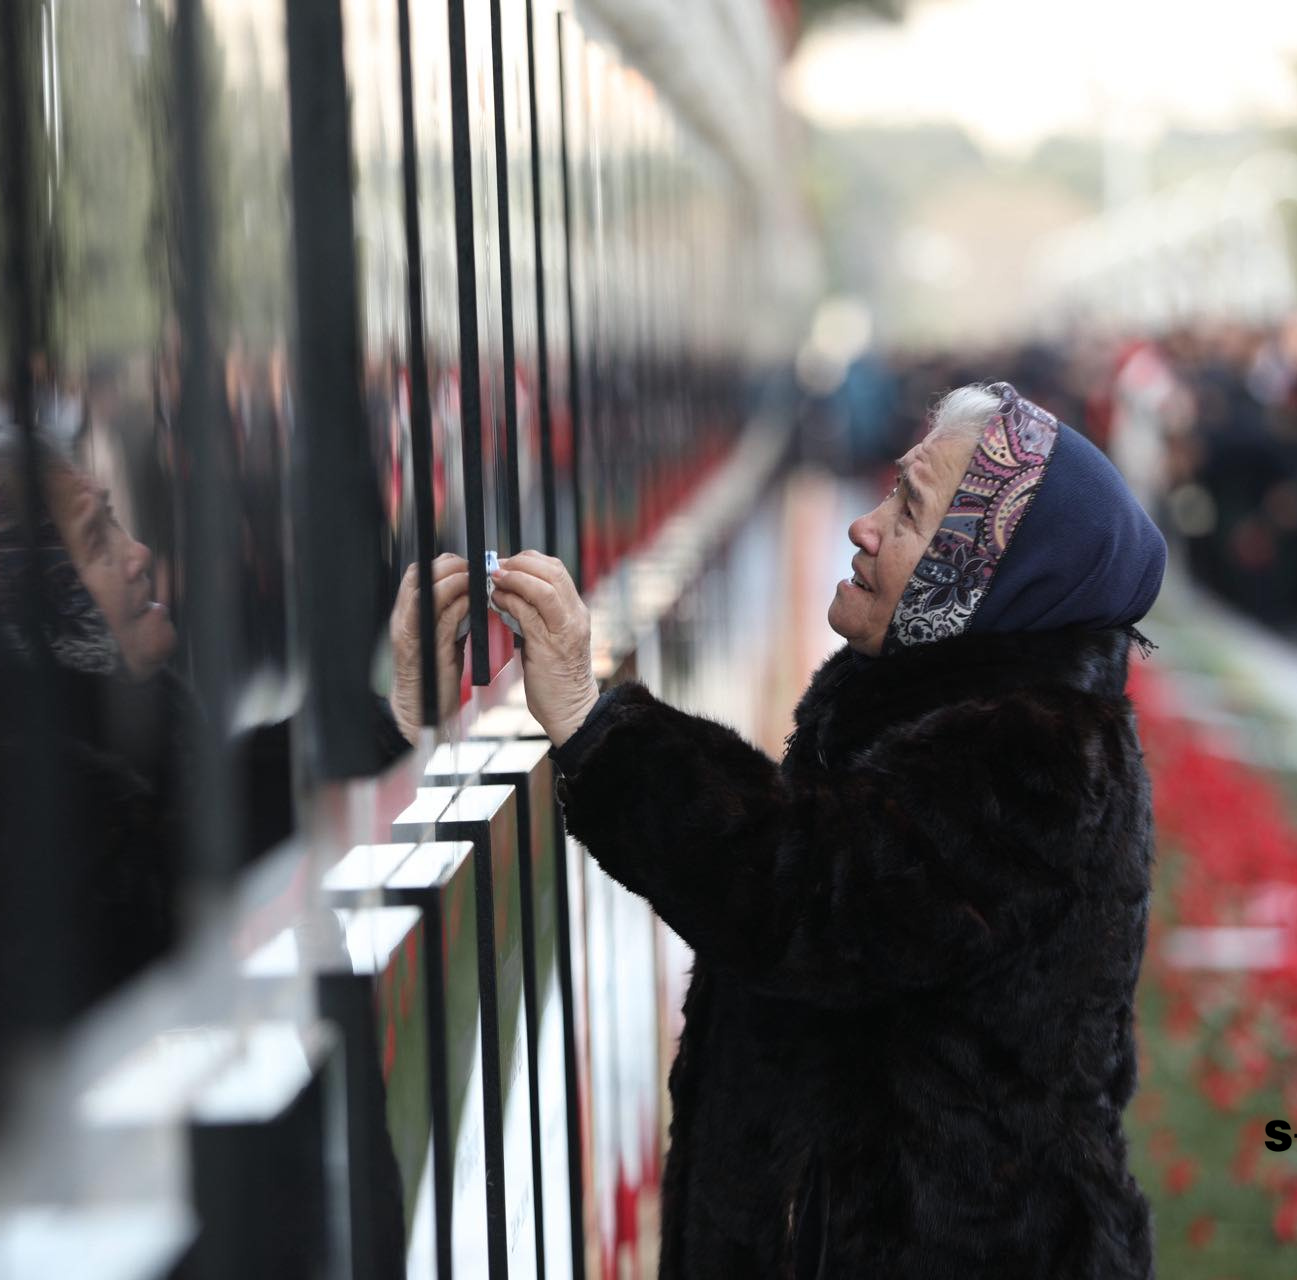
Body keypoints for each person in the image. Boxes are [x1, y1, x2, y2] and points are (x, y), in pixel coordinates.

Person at [493, 382, 1165, 1278]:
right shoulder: (945, 708)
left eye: (911, 510)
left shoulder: (1032, 757)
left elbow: (802, 892)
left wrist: (593, 722)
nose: (866, 525)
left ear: (984, 573)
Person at [0, 423, 421, 1168]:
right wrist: (375, 727)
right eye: (95, 541)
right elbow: (174, 866)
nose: (138, 555)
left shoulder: (122, 713)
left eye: (114, 519)